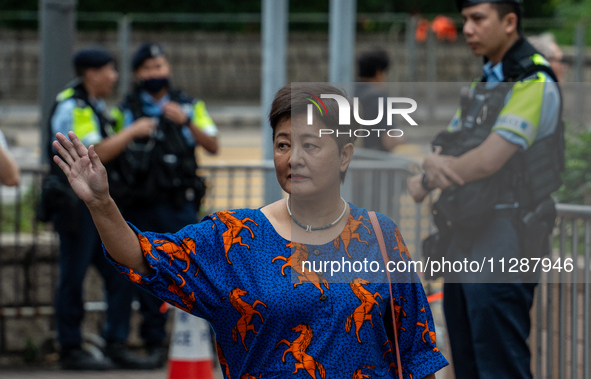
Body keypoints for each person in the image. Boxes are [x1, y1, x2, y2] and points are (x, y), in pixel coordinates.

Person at [53, 83, 448, 378]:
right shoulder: (233, 238)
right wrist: (101, 203)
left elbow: (418, 353)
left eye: (311, 145)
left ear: (345, 155)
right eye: (283, 145)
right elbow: (141, 255)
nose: (294, 159)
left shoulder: (380, 235)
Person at [408, 0, 563, 378]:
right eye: (465, 20)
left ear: (510, 22)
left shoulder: (533, 80)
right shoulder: (485, 84)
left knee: (499, 364)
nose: (467, 29)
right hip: (469, 232)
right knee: (467, 359)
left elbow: (487, 160)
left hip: (505, 231)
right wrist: (432, 161)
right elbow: (445, 144)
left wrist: (428, 175)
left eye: (478, 19)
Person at [108, 42, 219, 366]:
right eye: (148, 68)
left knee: (194, 274)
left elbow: (213, 144)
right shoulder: (125, 109)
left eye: (160, 66)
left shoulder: (189, 105)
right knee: (145, 278)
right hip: (139, 206)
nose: (156, 73)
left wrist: (186, 122)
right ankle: (154, 343)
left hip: (179, 206)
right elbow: (104, 149)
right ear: (138, 74)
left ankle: (204, 345)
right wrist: (132, 130)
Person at [47, 47, 158, 370]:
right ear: (91, 74)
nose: (115, 77)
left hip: (94, 205)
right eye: (109, 70)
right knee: (73, 275)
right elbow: (94, 154)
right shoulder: (74, 105)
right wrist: (132, 132)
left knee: (121, 272)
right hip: (75, 205)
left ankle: (116, 342)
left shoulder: (93, 105)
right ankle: (70, 347)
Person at [355, 49, 404, 152]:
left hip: (350, 161)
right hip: (376, 161)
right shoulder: (381, 99)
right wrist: (401, 138)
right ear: (379, 72)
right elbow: (389, 141)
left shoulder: (347, 94)